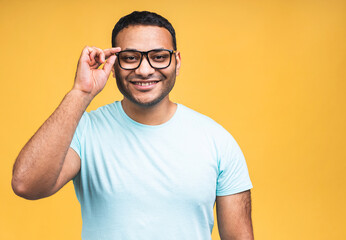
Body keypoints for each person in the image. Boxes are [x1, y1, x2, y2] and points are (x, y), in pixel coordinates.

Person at [12, 11, 254, 240]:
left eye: (159, 57)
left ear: (176, 62)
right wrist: (81, 92)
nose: (145, 70)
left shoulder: (218, 140)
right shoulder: (85, 131)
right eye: (130, 58)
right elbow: (26, 184)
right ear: (114, 65)